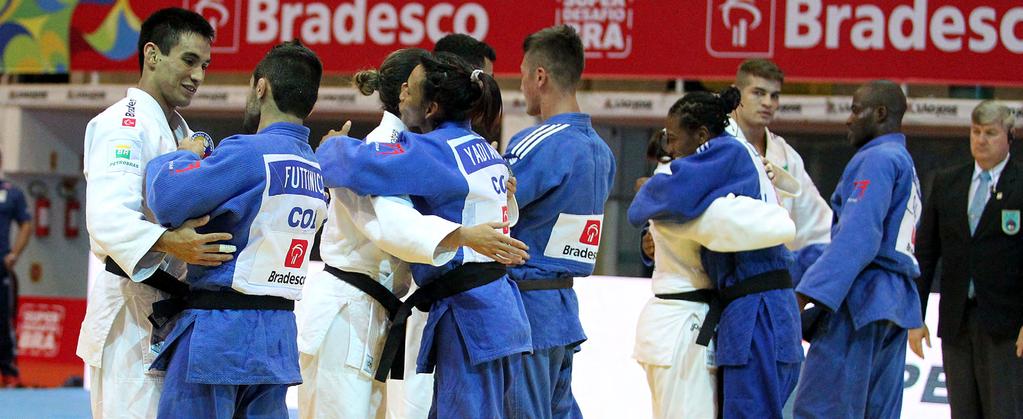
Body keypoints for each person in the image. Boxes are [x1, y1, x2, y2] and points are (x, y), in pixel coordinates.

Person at [296, 48, 527, 419]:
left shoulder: (429, 148)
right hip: (495, 311)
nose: (405, 95)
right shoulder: (483, 147)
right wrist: (461, 234)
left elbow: (358, 167)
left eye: (412, 89)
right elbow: (398, 221)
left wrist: (330, 147)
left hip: (467, 313)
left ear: (431, 106)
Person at [144, 40, 326, 418]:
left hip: (221, 336)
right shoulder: (313, 167)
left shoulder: (248, 152)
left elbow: (166, 197)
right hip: (276, 338)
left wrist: (186, 152)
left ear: (261, 87)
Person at [76, 8, 231, 418]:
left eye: (205, 65)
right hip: (130, 310)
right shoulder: (123, 126)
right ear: (152, 54)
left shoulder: (180, 131)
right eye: (189, 60)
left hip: (171, 308)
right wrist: (171, 243)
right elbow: (109, 219)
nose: (198, 75)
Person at [629, 88, 803, 419]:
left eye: (674, 139)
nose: (672, 151)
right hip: (760, 306)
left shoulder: (724, 154)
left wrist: (650, 189)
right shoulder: (738, 155)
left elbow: (651, 202)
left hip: (758, 310)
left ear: (703, 135)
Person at [499, 24, 615, 418]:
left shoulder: (540, 142)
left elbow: (495, 210)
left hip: (529, 306)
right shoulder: (602, 151)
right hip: (563, 306)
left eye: (522, 76)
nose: (522, 88)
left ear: (540, 76)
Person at [793, 80, 923, 418]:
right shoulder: (902, 160)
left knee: (823, 411)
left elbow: (858, 238)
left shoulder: (878, 159)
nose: (848, 119)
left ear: (880, 113)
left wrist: (805, 294)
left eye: (855, 109)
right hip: (893, 305)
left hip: (861, 302)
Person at [909, 100, 1023, 418]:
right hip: (956, 320)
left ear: (1009, 136)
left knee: (1005, 410)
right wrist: (915, 317)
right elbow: (926, 253)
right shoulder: (948, 182)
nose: (981, 140)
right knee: (962, 411)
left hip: (1007, 327)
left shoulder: (1021, 185)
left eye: (990, 133)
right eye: (975, 131)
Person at [725, 59, 832, 281]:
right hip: (717, 274)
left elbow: (818, 226)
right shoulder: (710, 140)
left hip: (771, 277)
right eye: (758, 93)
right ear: (736, 94)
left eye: (774, 96)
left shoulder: (785, 156)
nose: (768, 102)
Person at [0, 152, 31, 388]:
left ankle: (8, 367)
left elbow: (26, 224)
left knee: (3, 319)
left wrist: (15, 254)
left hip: (1, 266)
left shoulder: (11, 192)